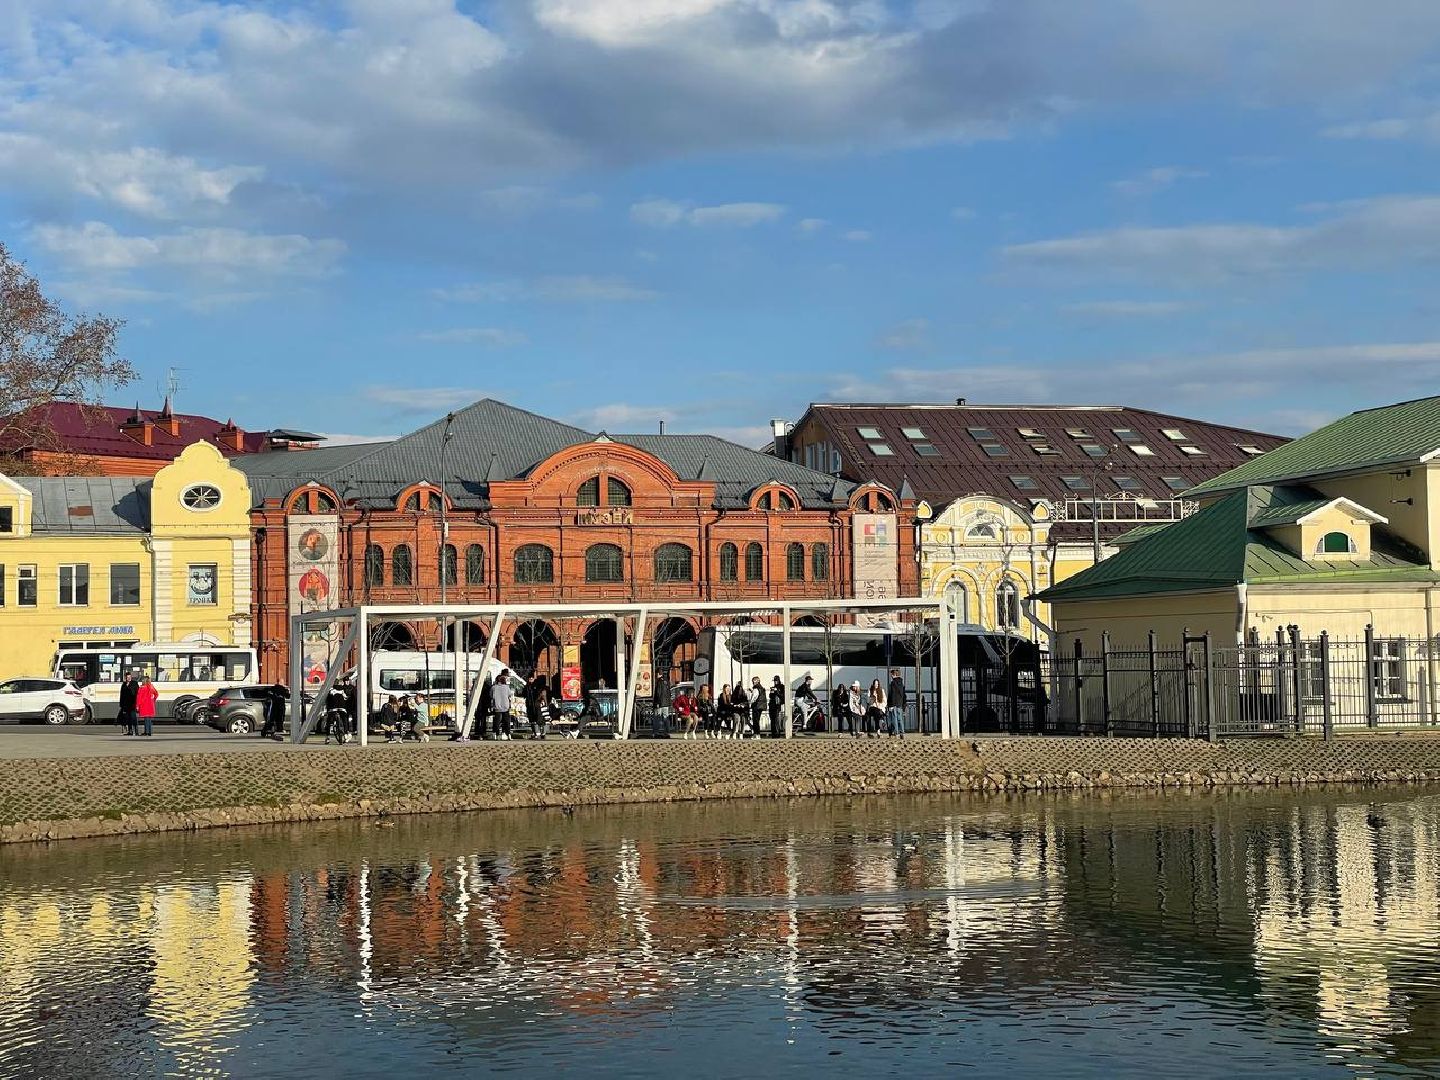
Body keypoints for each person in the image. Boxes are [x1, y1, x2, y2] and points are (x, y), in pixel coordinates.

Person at [466, 674, 493, 741]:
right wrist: (489, 705)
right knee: (483, 718)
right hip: (484, 704)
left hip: (478, 704)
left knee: (478, 718)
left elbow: (472, 695)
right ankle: (483, 730)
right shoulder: (487, 686)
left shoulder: (476, 686)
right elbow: (489, 696)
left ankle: (477, 730)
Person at [490, 671, 514, 740]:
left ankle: (496, 735)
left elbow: (491, 696)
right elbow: (510, 695)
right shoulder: (507, 687)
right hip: (505, 706)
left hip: (497, 706)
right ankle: (508, 734)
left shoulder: (494, 687)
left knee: (497, 722)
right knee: (506, 722)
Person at [886, 668, 907, 739]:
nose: (891, 676)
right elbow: (904, 695)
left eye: (891, 674)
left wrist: (890, 705)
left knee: (894, 718)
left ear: (894, 674)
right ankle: (902, 732)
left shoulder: (893, 683)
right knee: (900, 718)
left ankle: (896, 733)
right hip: (900, 704)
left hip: (894, 704)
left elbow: (892, 694)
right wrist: (904, 706)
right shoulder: (901, 683)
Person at [117, 670, 139, 736]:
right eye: (127, 677)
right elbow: (122, 695)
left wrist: (137, 703)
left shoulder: (134, 683)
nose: (128, 678)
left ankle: (136, 731)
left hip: (133, 703)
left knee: (133, 718)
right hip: (126, 705)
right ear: (125, 678)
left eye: (129, 677)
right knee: (128, 718)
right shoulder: (123, 685)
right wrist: (121, 704)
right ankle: (130, 731)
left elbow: (137, 693)